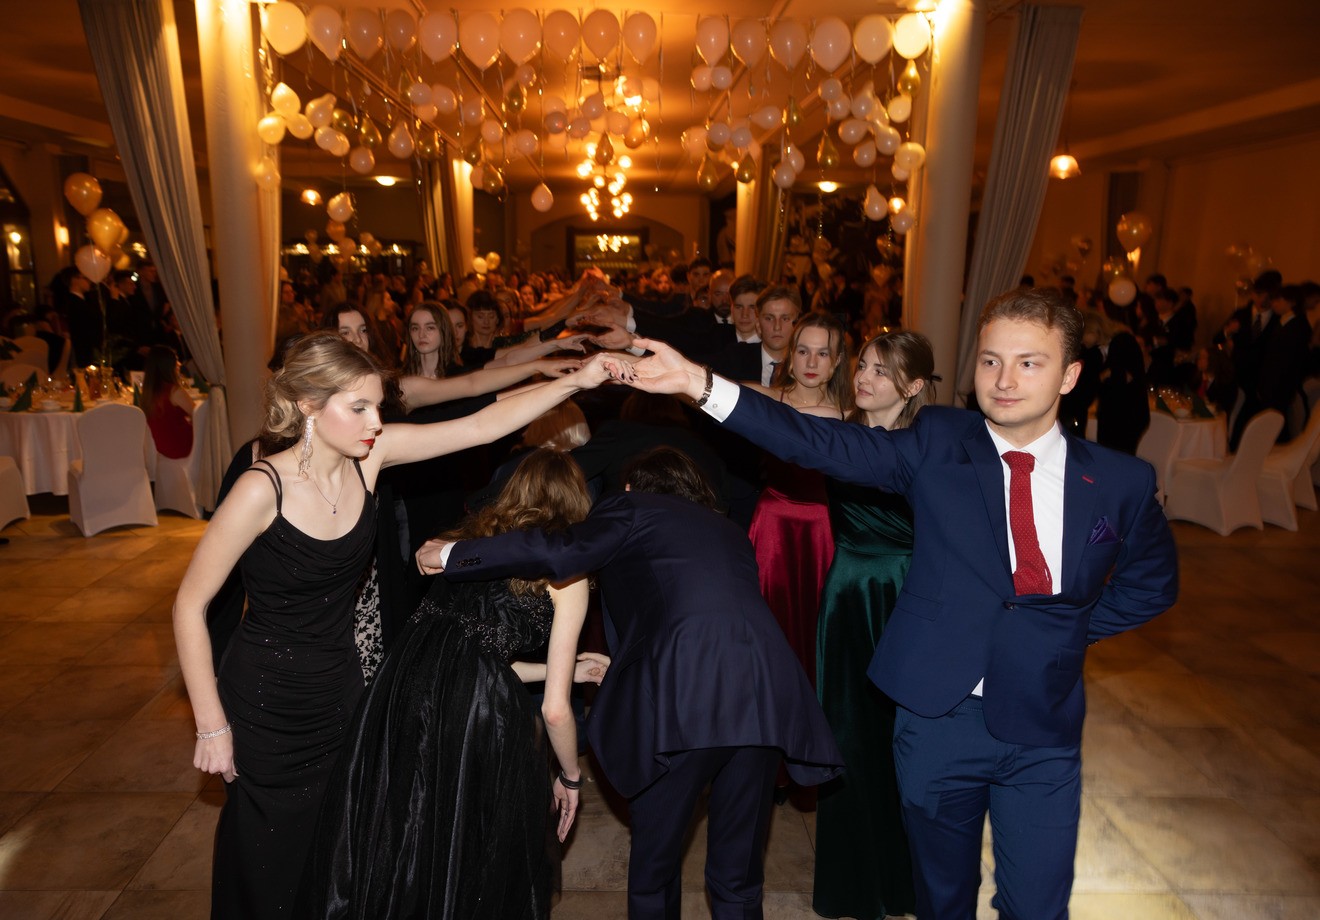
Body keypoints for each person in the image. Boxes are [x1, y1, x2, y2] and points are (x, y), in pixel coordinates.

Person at [623, 286, 1179, 920]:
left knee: (1038, 907)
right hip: (939, 719)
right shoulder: (938, 442)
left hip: (1043, 728)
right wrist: (698, 384)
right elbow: (817, 442)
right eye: (991, 360)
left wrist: (1066, 630)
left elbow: (1152, 584)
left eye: (1029, 363)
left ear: (1070, 375)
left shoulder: (1120, 480)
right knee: (941, 902)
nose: (1004, 380)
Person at [171, 332, 622, 920]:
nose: (375, 422)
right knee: (266, 852)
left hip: (341, 688)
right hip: (266, 701)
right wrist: (210, 725)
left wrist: (577, 380)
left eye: (378, 406)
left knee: (340, 844)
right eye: (358, 407)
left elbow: (480, 426)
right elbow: (189, 605)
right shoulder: (262, 488)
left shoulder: (370, 458)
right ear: (308, 405)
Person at [419, 447, 843, 919]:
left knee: (654, 873)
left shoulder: (630, 506)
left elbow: (558, 551)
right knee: (739, 879)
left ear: (628, 488)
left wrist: (454, 553)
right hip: (767, 699)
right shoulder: (727, 530)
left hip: (684, 698)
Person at [296, 449, 610, 919]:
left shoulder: (465, 546)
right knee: (467, 844)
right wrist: (569, 776)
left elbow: (475, 654)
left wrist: (561, 669)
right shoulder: (568, 576)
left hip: (402, 686)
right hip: (473, 714)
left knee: (404, 829)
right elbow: (555, 710)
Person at [812, 331, 936, 920]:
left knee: (903, 742)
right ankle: (853, 888)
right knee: (847, 733)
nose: (863, 377)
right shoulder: (839, 431)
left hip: (907, 593)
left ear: (912, 387)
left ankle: (903, 884)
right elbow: (769, 406)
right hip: (848, 593)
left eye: (881, 371)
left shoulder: (930, 446)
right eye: (863, 365)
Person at [745, 313, 851, 687]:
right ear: (791, 356)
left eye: (822, 353)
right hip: (773, 525)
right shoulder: (767, 398)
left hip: (826, 529)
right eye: (803, 351)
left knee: (820, 624)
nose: (811, 362)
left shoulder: (854, 414)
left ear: (837, 362)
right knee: (768, 621)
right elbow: (706, 389)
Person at [141, 344, 194, 459]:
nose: (179, 364)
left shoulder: (149, 393)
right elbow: (198, 415)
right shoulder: (174, 391)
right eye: (176, 361)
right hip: (181, 446)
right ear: (167, 366)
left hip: (162, 446)